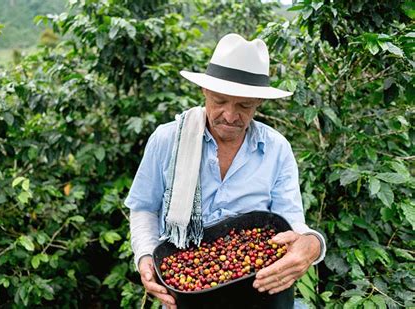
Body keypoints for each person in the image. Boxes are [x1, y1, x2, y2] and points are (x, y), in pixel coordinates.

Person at [125, 33, 326, 308]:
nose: (230, 116)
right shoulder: (167, 140)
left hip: (257, 290)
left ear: (259, 102)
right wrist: (146, 256)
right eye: (220, 101)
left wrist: (312, 243)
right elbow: (144, 207)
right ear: (204, 92)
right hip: (187, 294)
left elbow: (290, 222)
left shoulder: (276, 149)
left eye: (244, 105)